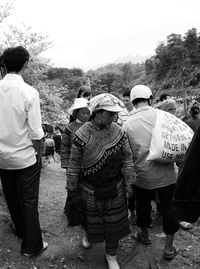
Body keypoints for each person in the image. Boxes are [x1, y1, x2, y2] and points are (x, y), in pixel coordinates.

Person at [66, 93, 135, 269]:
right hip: (89, 187)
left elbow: (127, 158)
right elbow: (74, 164)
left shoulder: (119, 131)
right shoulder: (82, 134)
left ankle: (111, 255)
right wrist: (71, 188)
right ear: (97, 112)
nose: (114, 116)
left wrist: (130, 183)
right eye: (110, 113)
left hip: (115, 186)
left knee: (113, 224)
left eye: (115, 113)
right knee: (91, 220)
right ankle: (90, 236)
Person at [0, 46, 48, 257]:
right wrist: (37, 155)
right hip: (25, 158)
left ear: (4, 64)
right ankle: (32, 246)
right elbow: (36, 132)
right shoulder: (29, 92)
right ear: (26, 64)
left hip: (2, 158)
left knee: (12, 198)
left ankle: (22, 232)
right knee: (29, 201)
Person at [123, 85, 179, 260]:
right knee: (169, 207)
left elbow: (127, 154)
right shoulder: (164, 116)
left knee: (143, 205)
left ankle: (145, 236)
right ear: (151, 98)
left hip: (143, 175)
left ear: (132, 102)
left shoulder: (127, 124)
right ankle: (169, 248)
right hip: (168, 173)